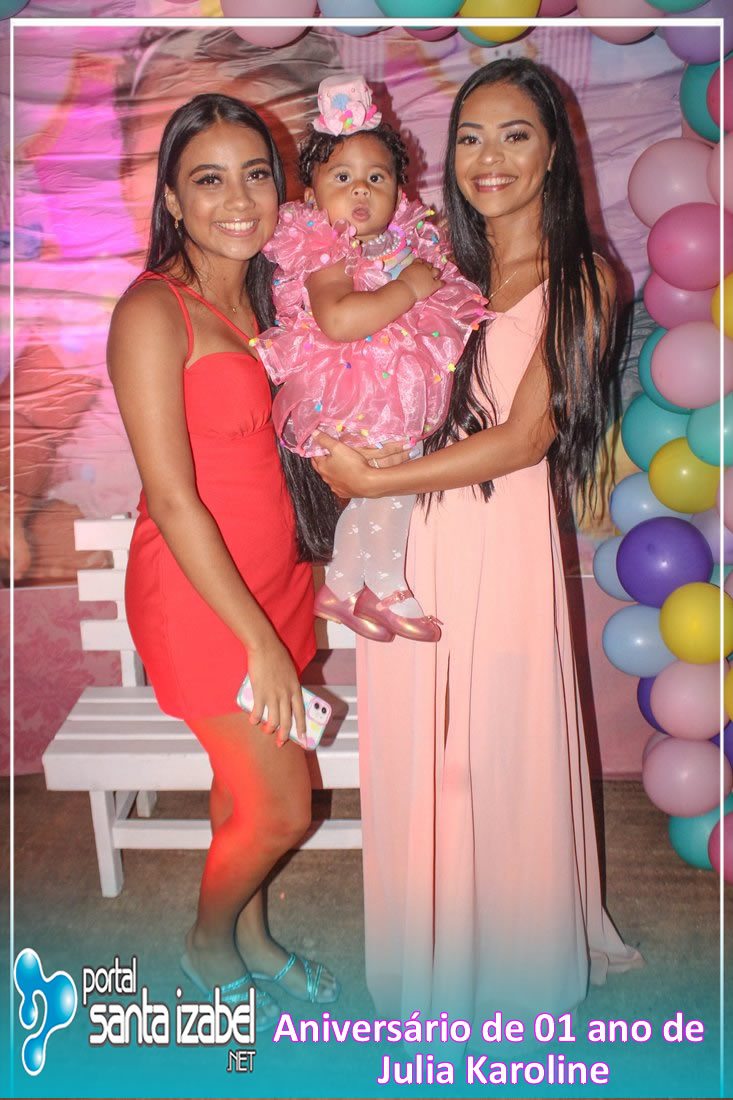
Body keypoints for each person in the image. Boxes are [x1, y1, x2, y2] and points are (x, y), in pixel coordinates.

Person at [312, 59, 643, 1030]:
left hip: (498, 537)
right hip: (407, 545)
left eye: (514, 135)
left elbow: (527, 436)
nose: (487, 157)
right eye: (468, 137)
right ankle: (428, 963)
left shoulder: (583, 277)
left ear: (553, 155)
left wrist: (377, 479)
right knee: (417, 745)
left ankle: (512, 973)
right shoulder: (434, 267)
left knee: (501, 743)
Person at [107, 92, 344, 1025]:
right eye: (208, 179)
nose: (238, 199)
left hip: (274, 581)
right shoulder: (151, 310)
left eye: (256, 176)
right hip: (203, 600)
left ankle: (254, 937)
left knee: (241, 790)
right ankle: (208, 939)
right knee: (284, 809)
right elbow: (172, 498)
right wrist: (259, 643)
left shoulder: (273, 296)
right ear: (171, 198)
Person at [256, 74, 489, 643]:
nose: (360, 190)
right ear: (312, 196)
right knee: (393, 480)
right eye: (342, 177)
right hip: (352, 388)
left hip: (387, 383)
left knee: (378, 482)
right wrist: (408, 288)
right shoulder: (325, 250)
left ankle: (340, 585)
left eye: (376, 177)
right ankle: (385, 584)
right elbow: (338, 320)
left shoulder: (400, 241)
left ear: (398, 191)